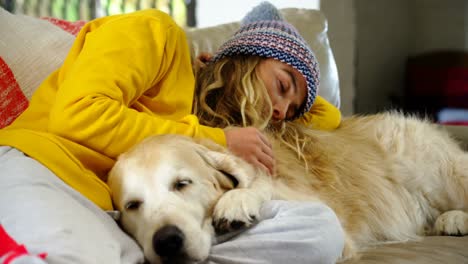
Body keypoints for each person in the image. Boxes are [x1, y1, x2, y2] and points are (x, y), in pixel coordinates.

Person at [0, 2, 344, 264]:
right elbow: (75, 114)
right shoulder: (156, 33)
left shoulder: (194, 120)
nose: (282, 112)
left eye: (293, 109)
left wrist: (295, 99)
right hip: (41, 165)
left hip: (120, 212)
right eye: (283, 85)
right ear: (243, 58)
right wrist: (220, 141)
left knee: (320, 231)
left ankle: (188, 248)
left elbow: (328, 117)